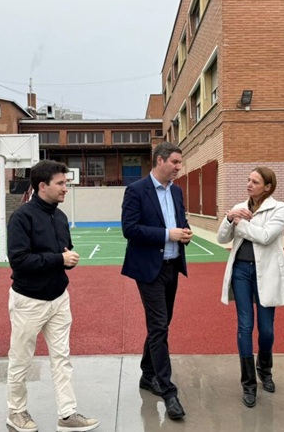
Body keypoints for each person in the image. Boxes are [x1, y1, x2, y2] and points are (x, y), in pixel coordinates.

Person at [5, 160, 100, 432]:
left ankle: (67, 414)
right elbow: (19, 261)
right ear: (42, 186)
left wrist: (67, 258)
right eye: (60, 183)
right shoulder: (22, 217)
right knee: (21, 359)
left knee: (62, 358)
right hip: (29, 301)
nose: (65, 188)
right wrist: (59, 259)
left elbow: (63, 250)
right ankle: (16, 412)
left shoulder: (59, 217)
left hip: (59, 298)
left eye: (65, 183)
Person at [217, 167, 284, 408]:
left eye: (255, 181)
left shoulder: (279, 209)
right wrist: (229, 218)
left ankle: (264, 368)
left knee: (266, 330)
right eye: (248, 180)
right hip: (241, 271)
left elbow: (265, 236)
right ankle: (249, 383)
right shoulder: (238, 208)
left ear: (267, 187)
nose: (249, 184)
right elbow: (222, 239)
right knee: (245, 326)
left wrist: (240, 223)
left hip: (267, 273)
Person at [121, 142, 192, 421]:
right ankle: (168, 390)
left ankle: (147, 374)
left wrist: (185, 232)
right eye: (175, 162)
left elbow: (180, 220)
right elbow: (130, 229)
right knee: (159, 325)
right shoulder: (136, 190)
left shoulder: (176, 191)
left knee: (160, 325)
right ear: (160, 161)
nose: (178, 167)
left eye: (180, 162)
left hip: (172, 266)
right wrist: (167, 234)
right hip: (149, 269)